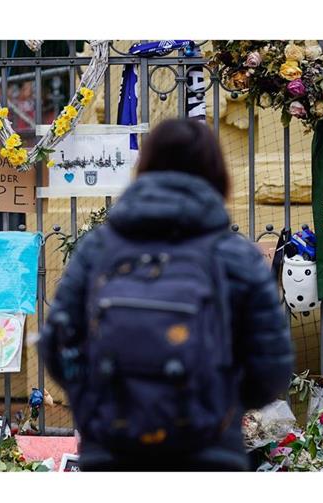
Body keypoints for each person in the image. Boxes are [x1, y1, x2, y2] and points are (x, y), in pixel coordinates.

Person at [39, 118, 293, 471]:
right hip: (208, 453)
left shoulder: (99, 250)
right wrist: (222, 403)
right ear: (217, 173)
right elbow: (272, 366)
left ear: (143, 167)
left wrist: (95, 401)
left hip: (113, 450)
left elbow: (56, 343)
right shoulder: (234, 256)